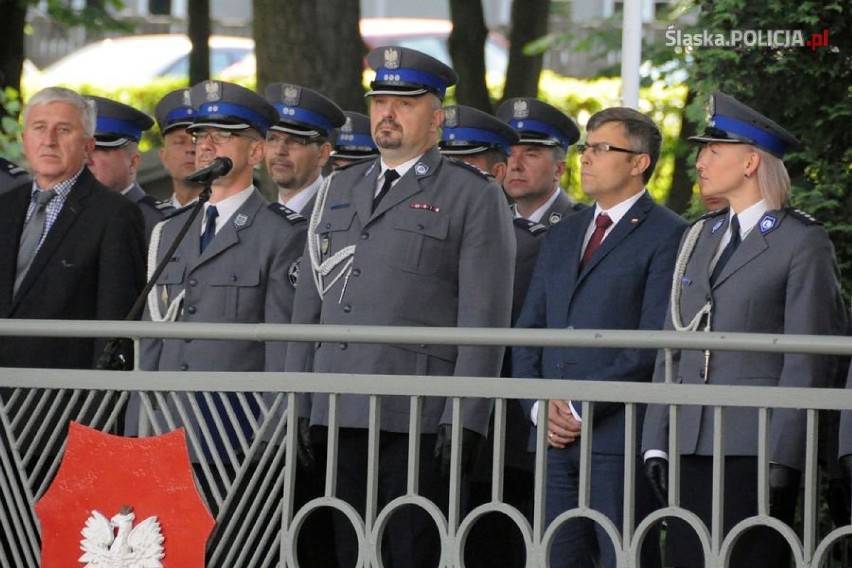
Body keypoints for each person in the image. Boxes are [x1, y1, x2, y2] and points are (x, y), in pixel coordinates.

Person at [285, 46, 516, 568]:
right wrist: (299, 399)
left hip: (415, 410)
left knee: (409, 548)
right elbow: (309, 305)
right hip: (337, 398)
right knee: (345, 546)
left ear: (436, 118)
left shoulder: (471, 194)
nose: (387, 112)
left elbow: (485, 316)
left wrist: (466, 416)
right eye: (379, 100)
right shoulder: (338, 187)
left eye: (404, 102)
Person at [641, 91, 847, 567]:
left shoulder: (800, 241)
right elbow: (672, 341)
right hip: (690, 436)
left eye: (714, 150)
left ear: (752, 161)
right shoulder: (701, 234)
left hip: (755, 441)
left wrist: (786, 457)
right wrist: (657, 435)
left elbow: (808, 358)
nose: (700, 160)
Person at [135, 80, 308, 563]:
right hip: (166, 431)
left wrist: (275, 440)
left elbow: (282, 348)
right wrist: (139, 426)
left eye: (223, 134)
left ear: (256, 152)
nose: (205, 143)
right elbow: (151, 339)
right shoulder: (172, 228)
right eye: (201, 133)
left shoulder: (279, 234)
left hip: (234, 438)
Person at [513, 106, 687, 567]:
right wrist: (538, 406)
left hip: (616, 435)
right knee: (555, 556)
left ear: (638, 162)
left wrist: (578, 405)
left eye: (601, 148)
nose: (586, 158)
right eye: (585, 147)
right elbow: (530, 331)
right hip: (550, 437)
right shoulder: (564, 232)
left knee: (623, 556)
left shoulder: (670, 234)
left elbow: (652, 340)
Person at [0, 86, 146, 370]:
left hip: (64, 398)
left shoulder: (115, 214)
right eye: (39, 128)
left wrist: (95, 410)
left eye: (63, 130)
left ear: (88, 147)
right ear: (24, 139)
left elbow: (116, 326)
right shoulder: (4, 207)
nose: (49, 141)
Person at [86, 95, 174, 240]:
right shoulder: (63, 214)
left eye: (99, 150)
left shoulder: (161, 224)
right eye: (83, 149)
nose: (87, 160)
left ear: (133, 163)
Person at [496, 97, 585, 227]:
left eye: (530, 155)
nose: (515, 166)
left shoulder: (583, 225)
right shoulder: (492, 224)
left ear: (558, 169)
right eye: (509, 154)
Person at [264, 82, 345, 213]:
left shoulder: (339, 214)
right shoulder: (262, 219)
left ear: (322, 154)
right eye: (272, 139)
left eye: (294, 141)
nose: (279, 151)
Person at [154, 88, 201, 209]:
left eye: (198, 141)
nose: (190, 149)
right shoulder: (151, 221)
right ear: (164, 157)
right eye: (179, 142)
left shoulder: (230, 218)